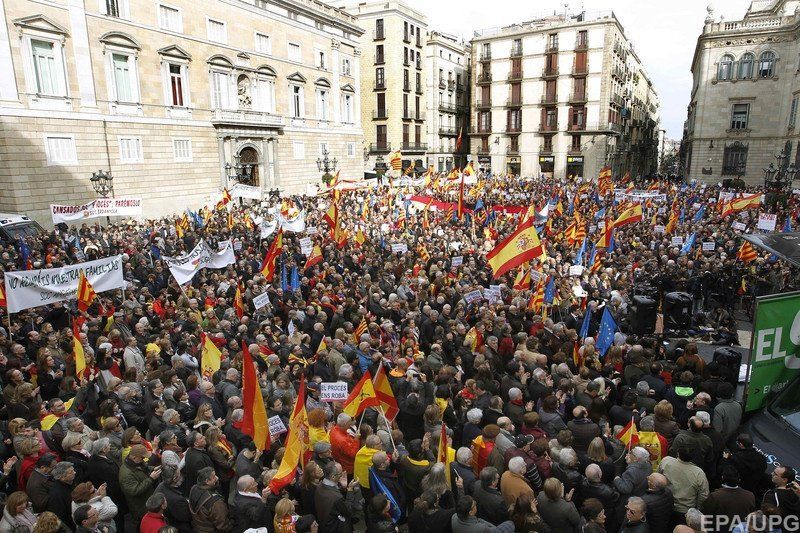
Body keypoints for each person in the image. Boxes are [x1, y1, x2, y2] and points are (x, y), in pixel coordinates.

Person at [659, 446, 709, 524]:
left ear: (678, 453)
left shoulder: (666, 461)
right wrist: (697, 509)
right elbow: (703, 495)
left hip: (665, 505)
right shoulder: (699, 473)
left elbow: (658, 479)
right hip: (685, 510)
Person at [314, 461, 363, 533]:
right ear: (333, 477)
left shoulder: (319, 485)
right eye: (340, 473)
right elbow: (348, 510)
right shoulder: (336, 498)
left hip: (324, 524)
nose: (343, 474)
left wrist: (343, 487)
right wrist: (350, 489)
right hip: (336, 527)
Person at [702, 466, 755, 531]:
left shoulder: (715, 496)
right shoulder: (750, 496)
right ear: (739, 479)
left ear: (722, 478)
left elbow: (707, 517)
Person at [188, 467, 232, 533]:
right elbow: (223, 525)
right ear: (207, 481)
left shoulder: (194, 488)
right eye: (214, 477)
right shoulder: (216, 502)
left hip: (198, 528)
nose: (217, 477)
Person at [450, 495, 515, 533]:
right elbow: (496, 530)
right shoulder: (481, 528)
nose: (476, 503)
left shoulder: (454, 517)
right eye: (474, 504)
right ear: (471, 512)